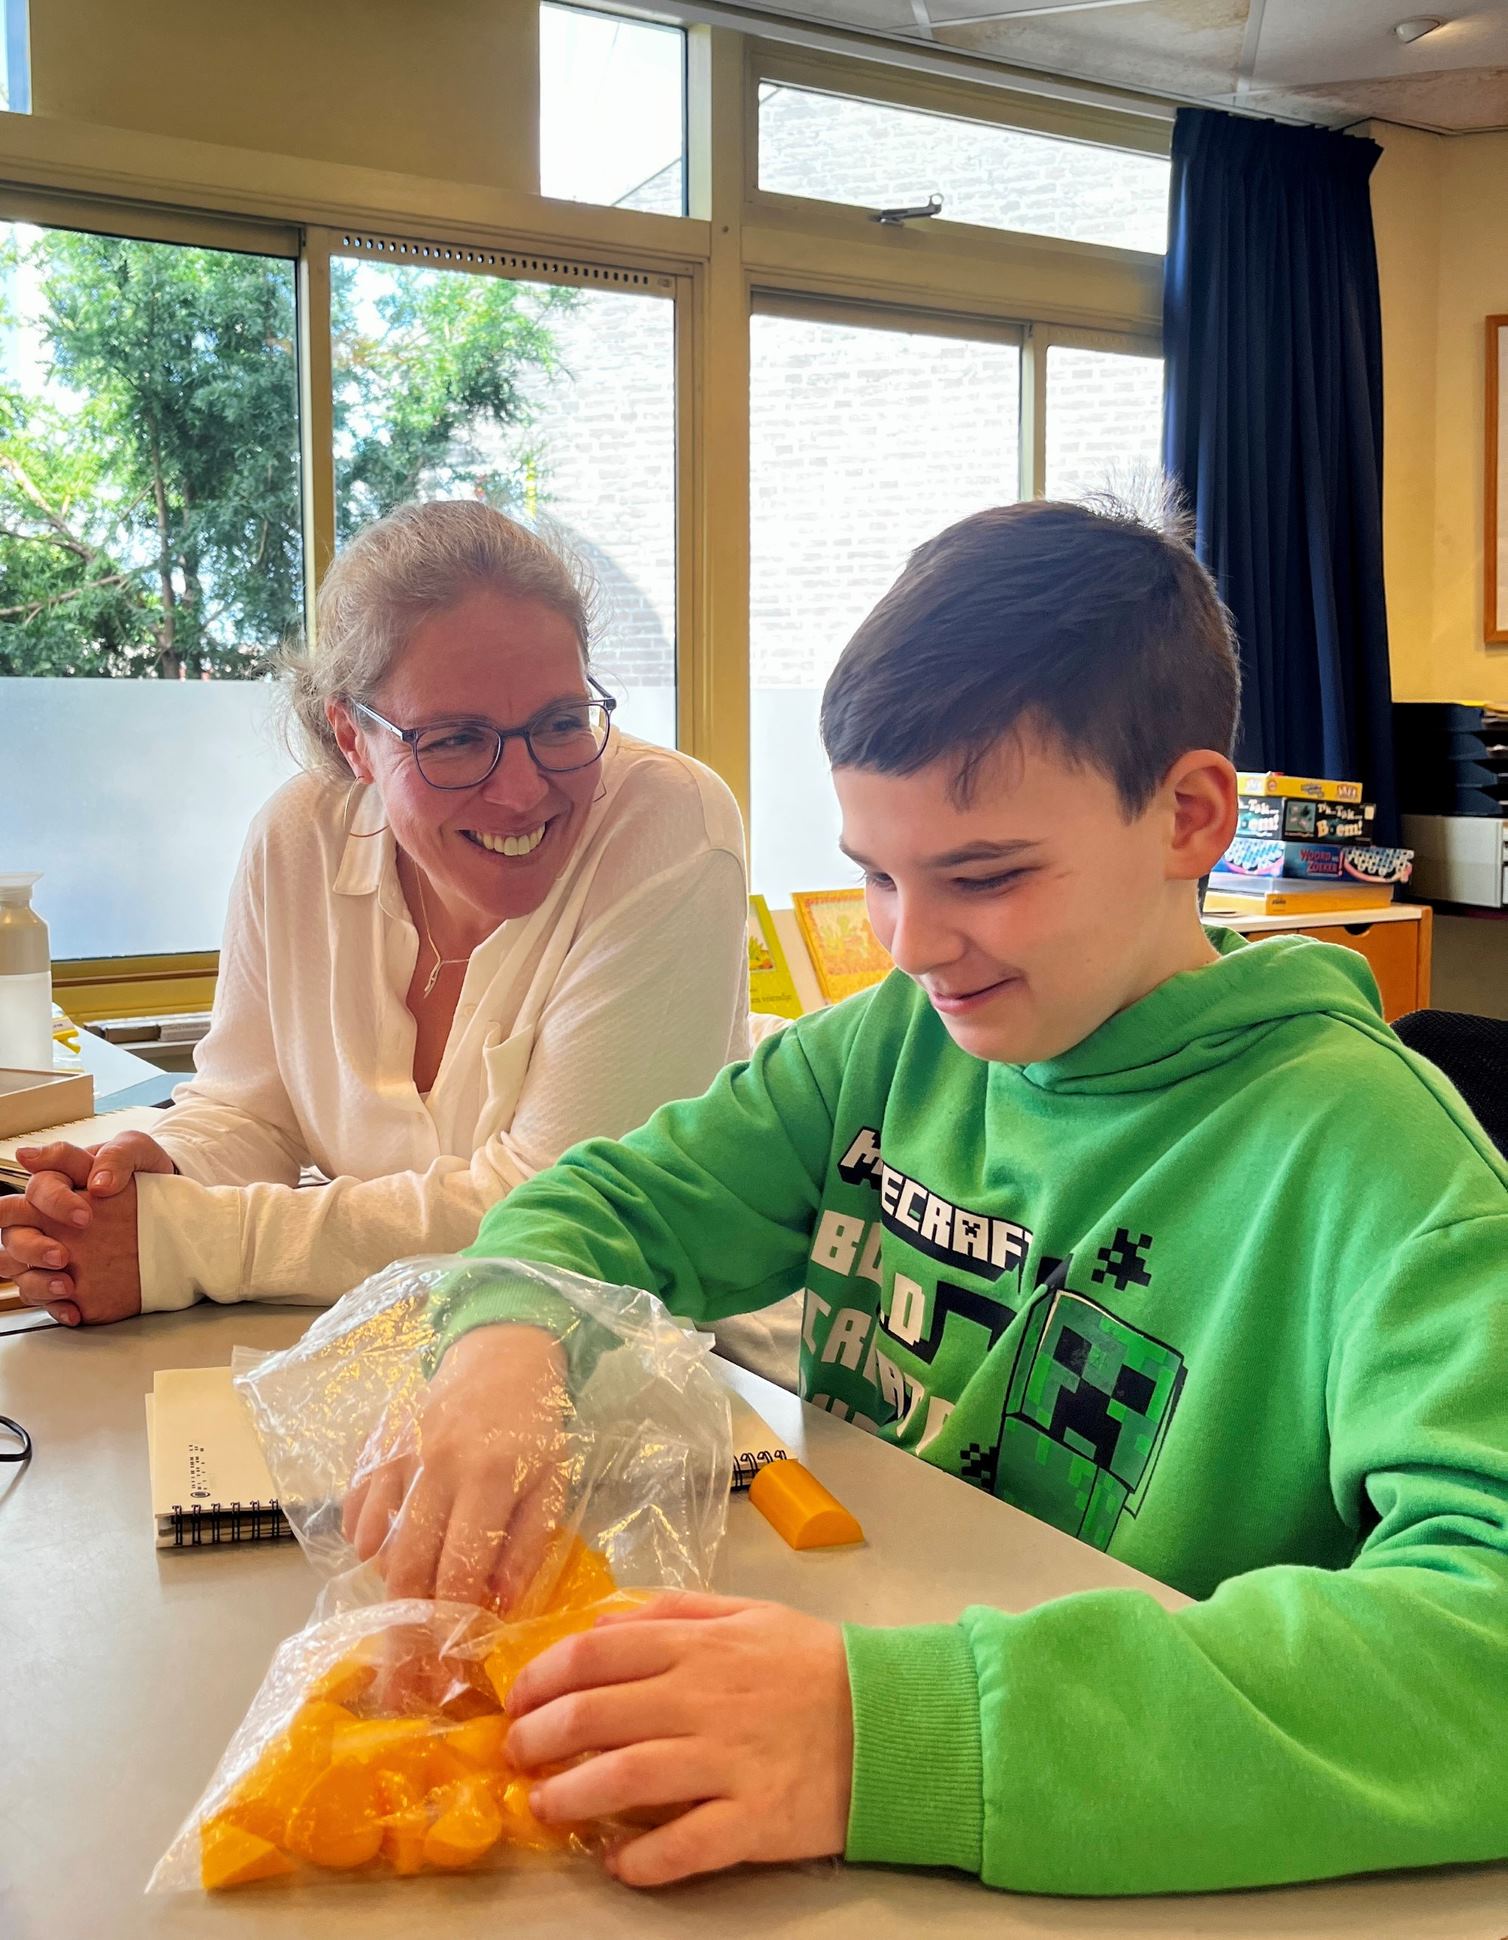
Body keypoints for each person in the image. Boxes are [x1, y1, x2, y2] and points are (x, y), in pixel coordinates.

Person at [343, 498, 1508, 1896]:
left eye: (987, 876)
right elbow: (608, 1205)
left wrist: (886, 1731)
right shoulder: (887, 1043)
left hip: (1117, 1831)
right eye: (876, 877)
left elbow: (1482, 1646)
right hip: (867, 1727)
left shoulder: (1381, 1168)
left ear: (1190, 815)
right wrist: (502, 1343)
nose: (916, 943)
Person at [0, 500, 796, 1384]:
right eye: (457, 740)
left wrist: (180, 1243)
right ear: (354, 738)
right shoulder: (299, 836)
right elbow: (249, 1109)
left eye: (562, 723)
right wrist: (148, 1174)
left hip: (666, 1382)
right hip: (391, 1362)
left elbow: (556, 1224)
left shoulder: (668, 822)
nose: (525, 790)